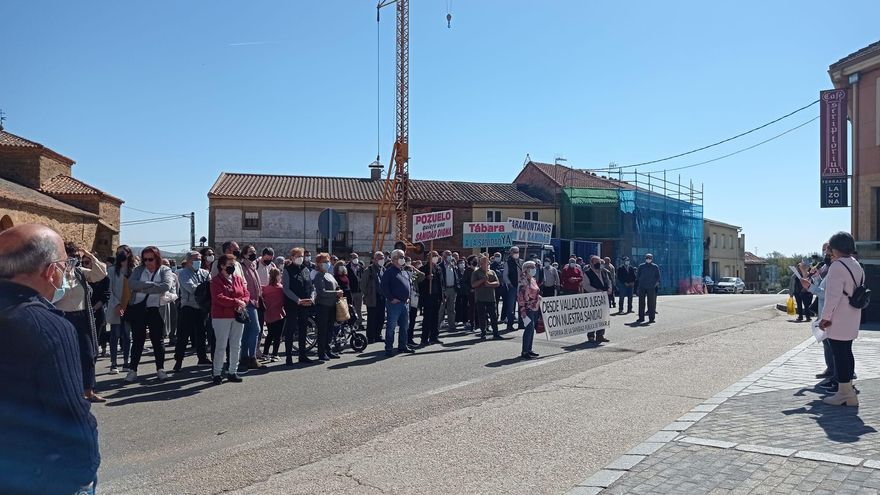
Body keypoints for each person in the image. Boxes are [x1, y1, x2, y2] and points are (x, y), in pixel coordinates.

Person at [0, 224, 100, 495]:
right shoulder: (47, 325)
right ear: (50, 270)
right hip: (40, 474)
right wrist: (84, 473)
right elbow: (69, 411)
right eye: (64, 265)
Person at [55, 242, 108, 404]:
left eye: (77, 257)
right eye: (71, 257)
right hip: (62, 317)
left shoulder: (80, 272)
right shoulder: (55, 273)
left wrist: (89, 256)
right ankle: (67, 391)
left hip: (82, 316)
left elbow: (100, 274)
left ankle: (88, 391)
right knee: (64, 355)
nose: (74, 260)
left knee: (87, 354)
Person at [819, 232, 864, 406]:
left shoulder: (837, 267)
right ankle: (849, 392)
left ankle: (844, 393)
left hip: (838, 317)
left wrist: (825, 318)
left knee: (839, 355)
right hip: (852, 315)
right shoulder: (855, 264)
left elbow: (832, 297)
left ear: (835, 248)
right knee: (847, 352)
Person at [126, 246, 175, 383]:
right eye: (145, 259)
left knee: (157, 340)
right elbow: (131, 284)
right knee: (137, 340)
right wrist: (152, 284)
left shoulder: (165, 270)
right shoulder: (138, 270)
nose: (147, 262)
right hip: (139, 309)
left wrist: (142, 287)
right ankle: (132, 370)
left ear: (157, 258)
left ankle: (160, 369)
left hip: (156, 309)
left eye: (150, 259)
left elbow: (165, 286)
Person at [209, 254, 249, 384]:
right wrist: (237, 302)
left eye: (234, 265)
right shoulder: (216, 281)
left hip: (237, 315)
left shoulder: (237, 279)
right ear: (222, 266)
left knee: (236, 344)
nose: (233, 267)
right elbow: (219, 297)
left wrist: (242, 302)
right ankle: (216, 373)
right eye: (230, 265)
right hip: (221, 317)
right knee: (221, 345)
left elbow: (246, 293)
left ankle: (232, 371)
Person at [174, 251, 212, 371]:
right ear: (189, 261)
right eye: (196, 259)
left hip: (202, 308)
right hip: (188, 307)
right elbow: (192, 288)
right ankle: (178, 360)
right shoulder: (183, 273)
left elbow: (210, 287)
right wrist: (204, 287)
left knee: (201, 334)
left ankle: (202, 358)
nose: (198, 261)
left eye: (200, 259)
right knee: (183, 335)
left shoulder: (205, 273)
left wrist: (204, 288)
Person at [282, 248, 316, 365]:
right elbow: (286, 289)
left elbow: (311, 286)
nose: (301, 258)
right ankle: (289, 357)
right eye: (298, 256)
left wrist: (312, 298)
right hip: (292, 304)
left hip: (305, 304)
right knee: (290, 330)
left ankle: (303, 355)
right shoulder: (287, 270)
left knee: (303, 330)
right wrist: (298, 300)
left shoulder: (305, 269)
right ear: (292, 257)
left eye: (301, 255)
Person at [381, 249, 415, 357]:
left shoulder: (404, 271)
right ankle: (389, 349)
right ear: (394, 258)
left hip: (405, 303)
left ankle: (402, 346)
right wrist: (391, 298)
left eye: (403, 257)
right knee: (391, 327)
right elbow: (384, 287)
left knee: (405, 326)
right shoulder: (389, 272)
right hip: (394, 304)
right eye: (401, 257)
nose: (403, 259)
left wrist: (408, 297)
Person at [107, 245, 134, 374]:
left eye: (125, 251)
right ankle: (113, 363)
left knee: (127, 335)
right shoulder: (112, 270)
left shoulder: (133, 270)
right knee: (115, 334)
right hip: (118, 306)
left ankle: (126, 362)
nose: (122, 253)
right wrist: (117, 304)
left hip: (129, 307)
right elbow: (109, 290)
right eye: (119, 252)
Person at [238, 245, 265, 371]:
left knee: (248, 331)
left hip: (255, 301)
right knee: (256, 329)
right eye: (250, 252)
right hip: (248, 302)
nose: (253, 254)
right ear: (244, 254)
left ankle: (245, 357)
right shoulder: (242, 267)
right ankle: (251, 357)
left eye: (254, 251)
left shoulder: (253, 266)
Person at [313, 253, 343, 361]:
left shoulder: (329, 275)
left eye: (327, 261)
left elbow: (336, 285)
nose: (327, 263)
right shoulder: (318, 276)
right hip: (323, 307)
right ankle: (321, 353)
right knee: (323, 331)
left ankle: (328, 350)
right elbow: (322, 292)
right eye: (324, 262)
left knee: (330, 330)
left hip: (331, 306)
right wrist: (336, 293)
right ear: (319, 264)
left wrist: (338, 290)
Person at [473, 254, 504, 340]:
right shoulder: (476, 272)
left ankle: (496, 333)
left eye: (487, 262)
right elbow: (473, 284)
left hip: (491, 298)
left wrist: (490, 284)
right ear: (481, 263)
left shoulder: (492, 272)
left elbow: (497, 283)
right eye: (484, 262)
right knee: (482, 317)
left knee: (493, 316)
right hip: (480, 298)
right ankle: (483, 333)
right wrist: (482, 280)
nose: (487, 264)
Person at [85, 256, 111, 358]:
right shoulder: (82, 276)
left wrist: (94, 308)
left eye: (87, 262)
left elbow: (106, 295)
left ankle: (103, 349)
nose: (84, 265)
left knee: (102, 331)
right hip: (84, 310)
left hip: (116, 308)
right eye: (83, 262)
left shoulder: (105, 278)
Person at [583, 255, 611, 344]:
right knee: (592, 317)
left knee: (603, 316)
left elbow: (609, 281)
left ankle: (600, 335)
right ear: (591, 263)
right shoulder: (587, 273)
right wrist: (596, 290)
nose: (599, 264)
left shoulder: (604, 272)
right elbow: (586, 285)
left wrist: (610, 288)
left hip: (604, 298)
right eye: (596, 262)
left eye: (599, 262)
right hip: (593, 299)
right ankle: (591, 335)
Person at [517, 260, 541, 360]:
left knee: (532, 329)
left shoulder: (533, 280)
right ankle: (525, 351)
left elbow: (536, 291)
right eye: (531, 268)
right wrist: (522, 308)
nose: (534, 269)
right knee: (529, 328)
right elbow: (520, 295)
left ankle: (529, 349)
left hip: (535, 306)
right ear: (526, 269)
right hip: (527, 308)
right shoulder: (523, 280)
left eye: (534, 267)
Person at [261, 267, 286, 361]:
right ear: (278, 276)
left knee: (270, 335)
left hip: (268, 314)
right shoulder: (281, 288)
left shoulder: (265, 289)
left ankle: (265, 353)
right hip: (279, 313)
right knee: (278, 336)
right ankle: (274, 354)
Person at [361, 251, 386, 344]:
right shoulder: (369, 270)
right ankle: (370, 336)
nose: (382, 260)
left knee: (381, 317)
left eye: (383, 258)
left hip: (382, 297)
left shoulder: (383, 269)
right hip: (372, 298)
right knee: (372, 318)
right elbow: (363, 284)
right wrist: (367, 294)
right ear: (374, 259)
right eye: (380, 258)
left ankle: (378, 335)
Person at [636, 253, 660, 324]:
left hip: (651, 287)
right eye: (647, 258)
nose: (648, 259)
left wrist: (655, 284)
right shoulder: (641, 266)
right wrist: (638, 285)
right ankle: (641, 318)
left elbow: (658, 277)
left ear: (652, 259)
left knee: (651, 303)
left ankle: (651, 318)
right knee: (641, 302)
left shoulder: (655, 267)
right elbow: (638, 276)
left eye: (649, 258)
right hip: (642, 286)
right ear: (645, 258)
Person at [502, 246, 523, 330]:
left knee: (521, 306)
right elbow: (505, 275)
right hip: (512, 287)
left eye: (517, 252)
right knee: (511, 307)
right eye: (514, 252)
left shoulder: (521, 262)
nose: (516, 253)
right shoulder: (508, 262)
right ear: (510, 253)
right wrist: (509, 283)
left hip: (521, 287)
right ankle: (510, 324)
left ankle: (521, 324)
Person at [438, 250, 459, 331]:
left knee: (451, 309)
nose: (450, 256)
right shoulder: (440, 266)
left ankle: (452, 326)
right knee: (441, 309)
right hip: (444, 289)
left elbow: (456, 276)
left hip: (452, 289)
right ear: (443, 256)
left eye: (450, 254)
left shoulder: (453, 265)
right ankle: (437, 327)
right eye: (448, 255)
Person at [256, 247, 275, 333]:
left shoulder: (272, 265)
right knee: (259, 319)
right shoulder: (255, 264)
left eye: (271, 258)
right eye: (267, 258)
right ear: (263, 256)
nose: (269, 260)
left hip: (268, 295)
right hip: (258, 296)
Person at [406, 260, 425, 346]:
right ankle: (405, 339)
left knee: (412, 321)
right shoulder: (403, 278)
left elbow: (422, 275)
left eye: (411, 270)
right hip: (406, 303)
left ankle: (410, 338)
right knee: (406, 322)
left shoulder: (413, 278)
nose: (410, 272)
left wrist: (414, 269)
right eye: (408, 270)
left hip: (414, 302)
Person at [348, 253, 364, 320]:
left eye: (357, 257)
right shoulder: (347, 267)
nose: (356, 259)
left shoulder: (360, 267)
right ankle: (351, 322)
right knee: (351, 307)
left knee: (358, 308)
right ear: (351, 259)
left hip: (359, 291)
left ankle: (359, 322)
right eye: (354, 258)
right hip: (351, 291)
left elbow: (363, 278)